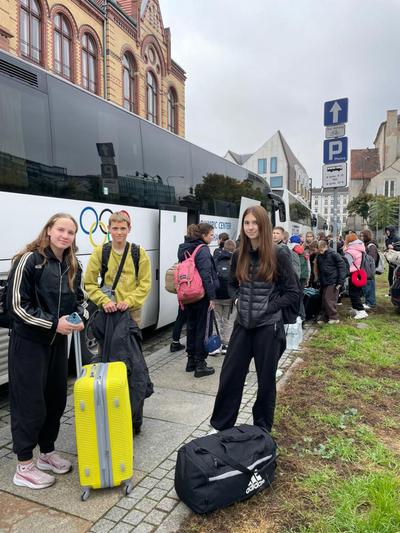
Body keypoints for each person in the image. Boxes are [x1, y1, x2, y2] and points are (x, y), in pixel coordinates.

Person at [7, 213, 87, 489]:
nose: (65, 236)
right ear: (49, 230)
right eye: (61, 230)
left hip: (58, 343)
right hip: (29, 344)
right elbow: (17, 306)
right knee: (29, 404)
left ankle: (46, 453)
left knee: (55, 400)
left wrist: (79, 317)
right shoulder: (29, 260)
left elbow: (80, 300)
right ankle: (24, 466)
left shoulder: (72, 264)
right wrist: (54, 324)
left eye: (70, 232)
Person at [210, 206, 300, 433]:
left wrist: (269, 307)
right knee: (230, 376)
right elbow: (231, 284)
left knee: (266, 381)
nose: (250, 227)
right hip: (243, 324)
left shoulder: (279, 254)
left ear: (263, 225)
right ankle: (221, 426)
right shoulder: (239, 253)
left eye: (254, 223)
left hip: (268, 327)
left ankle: (262, 429)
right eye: (246, 223)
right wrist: (237, 299)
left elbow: (292, 292)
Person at [85, 211, 151, 327]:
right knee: (106, 339)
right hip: (108, 311)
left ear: (129, 229)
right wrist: (104, 301)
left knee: (131, 339)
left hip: (132, 312)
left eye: (123, 228)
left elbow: (145, 284)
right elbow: (89, 283)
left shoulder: (139, 253)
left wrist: (129, 301)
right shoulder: (100, 251)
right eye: (115, 228)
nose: (119, 232)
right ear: (109, 228)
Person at [177, 223, 219, 378]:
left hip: (187, 294)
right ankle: (200, 364)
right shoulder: (202, 250)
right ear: (203, 235)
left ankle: (190, 361)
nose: (212, 237)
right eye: (211, 235)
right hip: (201, 296)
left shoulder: (183, 248)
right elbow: (206, 275)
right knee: (203, 329)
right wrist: (212, 297)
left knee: (191, 327)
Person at [213, 239, 236, 354]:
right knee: (228, 321)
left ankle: (216, 345)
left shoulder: (216, 259)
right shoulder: (236, 261)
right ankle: (226, 345)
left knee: (216, 320)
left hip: (216, 296)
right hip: (229, 297)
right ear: (234, 249)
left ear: (224, 248)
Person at [315, 240, 346, 324]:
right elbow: (320, 269)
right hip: (325, 281)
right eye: (319, 250)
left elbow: (342, 268)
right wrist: (319, 279)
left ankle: (334, 317)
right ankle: (324, 317)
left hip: (333, 280)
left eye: (322, 250)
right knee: (324, 300)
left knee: (329, 299)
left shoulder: (334, 254)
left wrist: (340, 282)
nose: (320, 252)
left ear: (326, 247)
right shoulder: (319, 256)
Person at [344, 233, 368, 319]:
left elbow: (346, 264)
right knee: (357, 293)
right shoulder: (360, 248)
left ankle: (361, 311)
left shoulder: (350, 251)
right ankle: (357, 310)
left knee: (353, 293)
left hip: (353, 273)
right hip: (359, 272)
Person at [360, 229, 378, 310]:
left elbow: (372, 259)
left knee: (369, 286)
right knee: (366, 286)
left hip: (369, 270)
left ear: (366, 236)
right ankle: (367, 302)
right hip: (365, 269)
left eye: (362, 236)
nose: (361, 237)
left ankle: (371, 303)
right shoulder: (366, 244)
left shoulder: (371, 246)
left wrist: (368, 271)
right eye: (361, 236)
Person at [384, 225, 400, 290]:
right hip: (391, 261)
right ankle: (391, 291)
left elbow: (398, 248)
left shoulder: (397, 238)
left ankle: (396, 290)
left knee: (396, 276)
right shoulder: (387, 240)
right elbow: (388, 248)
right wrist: (386, 252)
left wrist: (394, 247)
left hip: (397, 261)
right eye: (386, 230)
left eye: (388, 230)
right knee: (390, 277)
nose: (387, 232)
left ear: (391, 231)